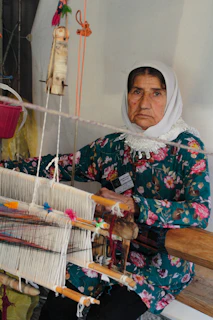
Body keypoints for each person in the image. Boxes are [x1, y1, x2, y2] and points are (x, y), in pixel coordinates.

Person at [2, 61, 211, 319]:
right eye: (137, 92)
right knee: (58, 305)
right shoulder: (114, 146)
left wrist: (134, 205)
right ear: (127, 96)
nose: (145, 103)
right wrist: (6, 167)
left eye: (156, 93)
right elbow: (60, 165)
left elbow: (200, 212)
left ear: (171, 99)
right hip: (108, 248)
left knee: (107, 316)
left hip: (160, 262)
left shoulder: (187, 148)